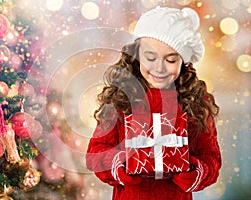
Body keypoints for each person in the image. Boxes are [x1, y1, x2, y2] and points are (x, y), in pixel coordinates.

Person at [86, 6, 221, 200]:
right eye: (150, 58)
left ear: (183, 61)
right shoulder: (121, 97)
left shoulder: (195, 102)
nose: (159, 68)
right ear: (137, 55)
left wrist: (195, 172)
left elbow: (211, 158)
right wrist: (118, 164)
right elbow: (96, 152)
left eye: (171, 60)